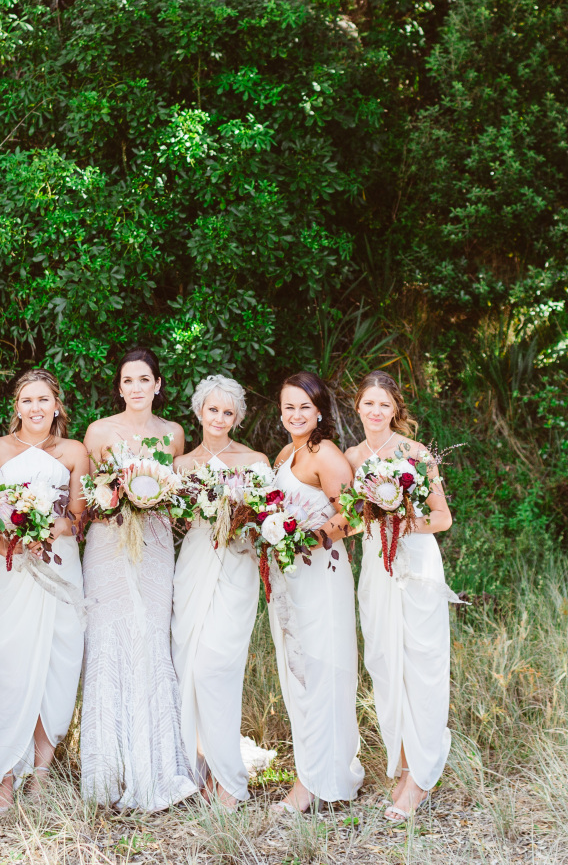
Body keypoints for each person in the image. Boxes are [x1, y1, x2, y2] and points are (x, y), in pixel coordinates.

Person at [79, 347, 199, 810]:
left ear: (157, 385)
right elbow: (90, 497)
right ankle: (108, 772)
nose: (135, 388)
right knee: (108, 638)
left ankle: (156, 765)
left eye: (144, 379)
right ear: (119, 386)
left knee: (151, 635)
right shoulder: (98, 431)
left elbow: (176, 494)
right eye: (128, 380)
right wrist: (115, 497)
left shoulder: (173, 433)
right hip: (109, 545)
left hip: (155, 543)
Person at [0, 370, 91, 816]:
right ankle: (6, 776)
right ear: (16, 407)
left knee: (59, 662)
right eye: (27, 400)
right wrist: (14, 547)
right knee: (9, 666)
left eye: (44, 399)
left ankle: (41, 773)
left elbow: (80, 518)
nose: (36, 408)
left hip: (59, 565)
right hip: (8, 570)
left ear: (57, 405)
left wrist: (53, 527)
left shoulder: (74, 451)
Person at [345, 371, 456, 821]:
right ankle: (407, 767)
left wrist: (400, 520)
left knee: (421, 665)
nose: (376, 411)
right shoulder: (351, 457)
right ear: (358, 406)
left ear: (395, 410)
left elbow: (442, 518)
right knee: (386, 664)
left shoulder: (416, 453)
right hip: (376, 566)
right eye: (369, 403)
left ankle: (421, 779)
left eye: (384, 404)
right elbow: (350, 518)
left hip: (415, 565)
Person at [170, 374, 272, 810]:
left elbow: (267, 518)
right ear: (199, 411)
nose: (219, 418)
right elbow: (175, 522)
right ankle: (201, 768)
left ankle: (229, 778)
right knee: (188, 667)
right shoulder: (181, 465)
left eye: (228, 412)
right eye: (213, 409)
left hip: (236, 565)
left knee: (217, 668)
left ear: (238, 418)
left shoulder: (254, 461)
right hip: (194, 564)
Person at [267, 371, 362, 812]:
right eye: (289, 406)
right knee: (298, 670)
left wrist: (310, 539)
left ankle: (319, 781)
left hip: (321, 571)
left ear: (319, 410)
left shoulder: (326, 453)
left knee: (323, 668)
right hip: (290, 576)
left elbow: (354, 513)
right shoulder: (286, 453)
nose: (296, 414)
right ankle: (310, 771)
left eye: (304, 406)